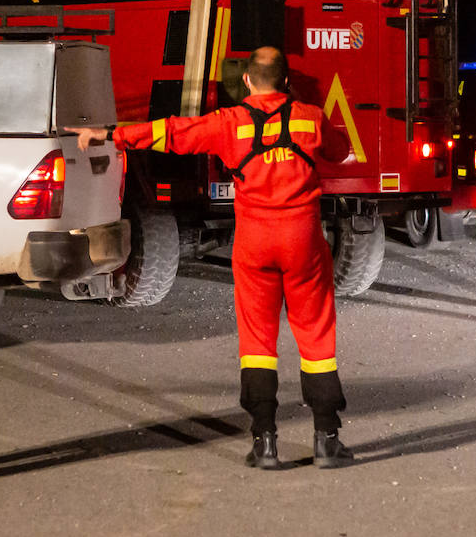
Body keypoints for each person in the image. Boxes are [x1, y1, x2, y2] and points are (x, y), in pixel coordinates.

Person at [70, 46, 354, 469]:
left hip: (255, 242)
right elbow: (341, 150)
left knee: (257, 341)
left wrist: (110, 134)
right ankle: (326, 440)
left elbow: (172, 133)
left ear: (247, 81)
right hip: (303, 240)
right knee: (316, 336)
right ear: (286, 80)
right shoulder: (310, 117)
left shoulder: (230, 123)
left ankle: (265, 444)